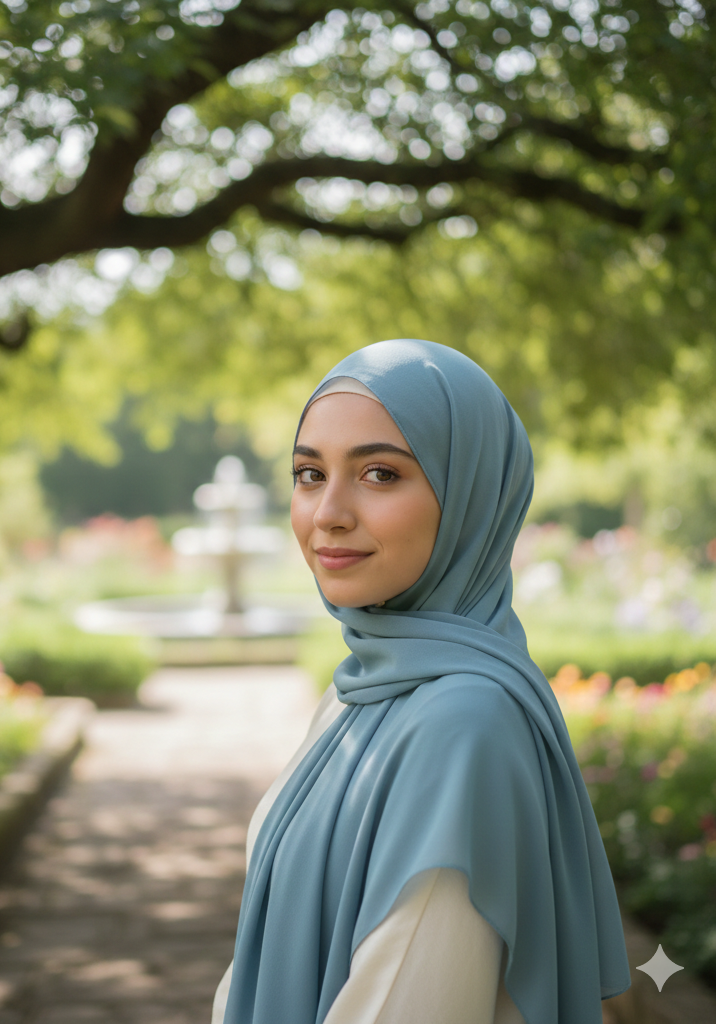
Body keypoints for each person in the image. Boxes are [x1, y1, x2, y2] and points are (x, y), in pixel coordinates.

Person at [212, 340, 630, 1024]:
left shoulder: (464, 725)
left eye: (379, 473)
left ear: (471, 495)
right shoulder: (361, 691)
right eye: (309, 473)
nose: (328, 514)